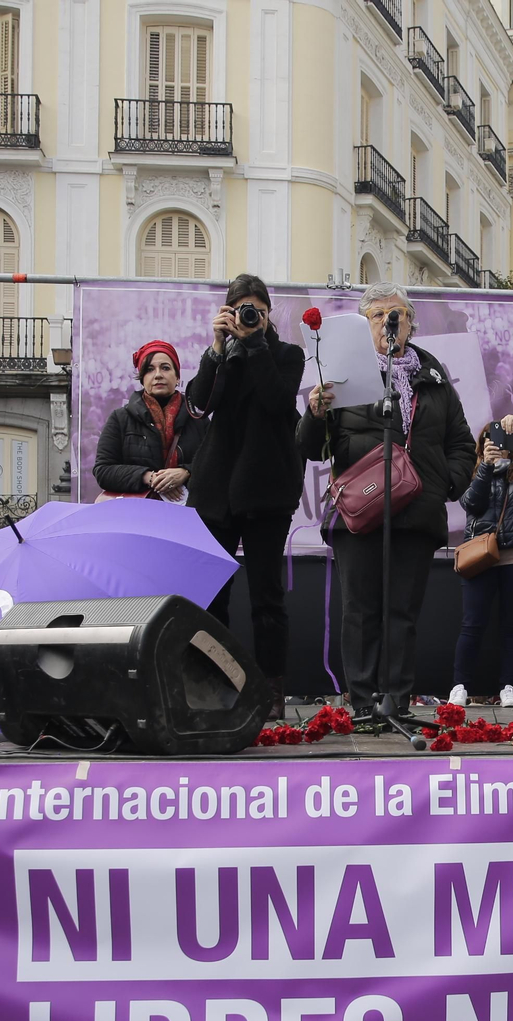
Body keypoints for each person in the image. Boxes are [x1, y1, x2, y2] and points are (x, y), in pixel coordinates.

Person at [300, 282, 475, 719]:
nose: (387, 322)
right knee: (359, 612)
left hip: (416, 513)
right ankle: (362, 702)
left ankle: (396, 701)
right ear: (364, 326)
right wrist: (315, 414)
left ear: (411, 323)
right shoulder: (340, 374)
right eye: (377, 316)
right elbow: (311, 447)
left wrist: (442, 484)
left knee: (402, 613)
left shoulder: (433, 377)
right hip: (360, 512)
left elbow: (461, 443)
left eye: (396, 314)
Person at [186, 274, 307, 715]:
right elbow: (199, 404)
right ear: (229, 312)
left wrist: (254, 344)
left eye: (257, 307)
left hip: (267, 490)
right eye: (242, 308)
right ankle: (219, 685)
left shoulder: (287, 354)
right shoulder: (222, 355)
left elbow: (278, 402)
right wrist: (217, 350)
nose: (250, 315)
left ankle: (270, 692)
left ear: (269, 313)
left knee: (266, 597)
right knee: (212, 596)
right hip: (217, 489)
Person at [450, 413, 513, 707]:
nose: (495, 444)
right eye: (488, 441)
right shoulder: (471, 474)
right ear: (481, 448)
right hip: (479, 556)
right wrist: (485, 467)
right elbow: (471, 504)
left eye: (501, 440)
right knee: (472, 624)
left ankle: (508, 686)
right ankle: (459, 686)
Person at [93, 340, 195, 503]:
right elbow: (103, 471)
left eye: (165, 368)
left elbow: (215, 464)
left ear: (177, 377)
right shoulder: (120, 419)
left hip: (186, 514)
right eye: (149, 369)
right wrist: (148, 477)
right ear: (142, 379)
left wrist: (186, 472)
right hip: (136, 515)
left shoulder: (196, 419)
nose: (158, 375)